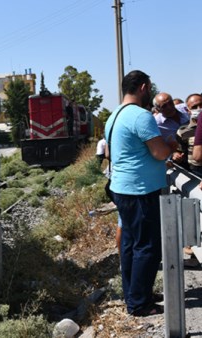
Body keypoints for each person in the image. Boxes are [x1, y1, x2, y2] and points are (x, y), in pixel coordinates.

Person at [105, 70, 176, 317]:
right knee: (147, 246)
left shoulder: (114, 115)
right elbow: (159, 153)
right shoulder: (141, 116)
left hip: (122, 188)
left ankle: (135, 292)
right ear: (144, 87)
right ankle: (139, 303)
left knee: (130, 243)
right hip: (140, 190)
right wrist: (172, 145)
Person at [176, 93, 202, 176]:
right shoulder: (183, 131)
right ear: (188, 111)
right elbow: (178, 151)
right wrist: (176, 155)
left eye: (201, 105)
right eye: (194, 107)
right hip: (195, 171)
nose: (199, 109)